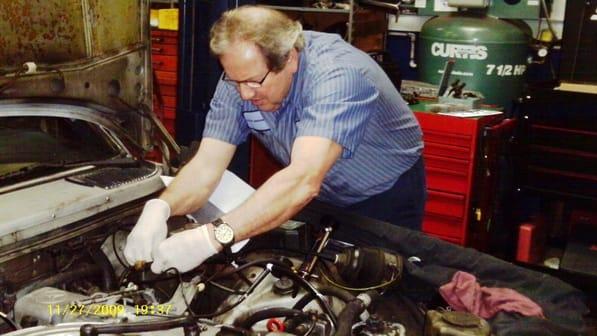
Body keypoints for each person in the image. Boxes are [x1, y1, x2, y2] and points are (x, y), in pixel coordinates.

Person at [124, 5, 424, 274]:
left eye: (254, 82)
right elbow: (206, 165)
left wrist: (214, 237)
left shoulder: (339, 76)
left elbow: (303, 179)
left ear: (290, 58)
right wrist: (161, 208)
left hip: (383, 195)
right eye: (235, 80)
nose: (244, 94)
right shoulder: (243, 74)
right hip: (320, 194)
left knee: (379, 289)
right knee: (316, 281)